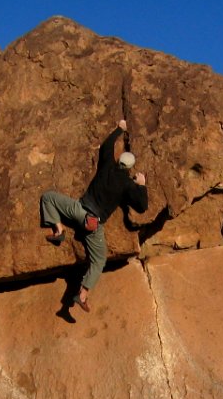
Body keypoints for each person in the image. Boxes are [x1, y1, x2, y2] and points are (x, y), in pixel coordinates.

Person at [40, 120, 149, 313]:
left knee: (49, 197)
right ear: (129, 169)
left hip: (77, 210)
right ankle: (81, 295)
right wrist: (141, 185)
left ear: (118, 160)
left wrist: (119, 129)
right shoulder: (127, 185)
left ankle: (58, 229)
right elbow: (142, 206)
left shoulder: (107, 164)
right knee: (99, 260)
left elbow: (106, 146)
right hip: (92, 224)